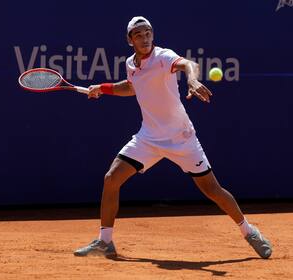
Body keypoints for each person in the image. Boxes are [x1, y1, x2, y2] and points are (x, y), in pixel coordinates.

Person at [74, 16, 272, 259]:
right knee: (111, 178)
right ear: (130, 40)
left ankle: (249, 231)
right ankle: (105, 241)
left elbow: (188, 64)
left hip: (181, 138)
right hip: (148, 137)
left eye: (148, 33)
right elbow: (132, 86)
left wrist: (192, 79)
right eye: (138, 35)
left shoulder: (163, 56)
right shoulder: (131, 63)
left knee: (212, 189)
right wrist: (102, 88)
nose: (145, 38)